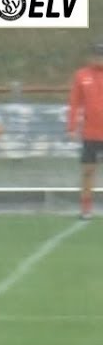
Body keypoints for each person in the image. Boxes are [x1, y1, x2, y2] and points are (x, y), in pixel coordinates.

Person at [67, 39, 103, 220]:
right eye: (97, 54)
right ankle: (86, 207)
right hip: (91, 133)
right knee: (88, 171)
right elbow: (75, 103)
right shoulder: (82, 75)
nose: (99, 58)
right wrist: (72, 127)